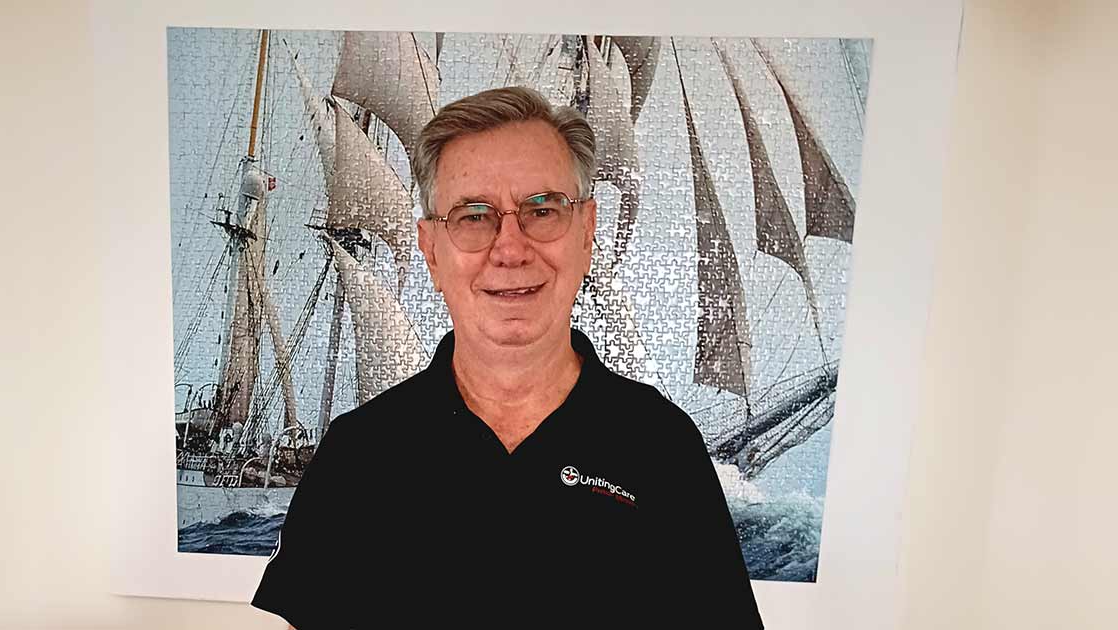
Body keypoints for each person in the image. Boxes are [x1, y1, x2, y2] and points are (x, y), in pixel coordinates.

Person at [252, 86, 762, 629]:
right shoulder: (357, 456)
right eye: (473, 217)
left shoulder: (663, 448)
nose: (511, 248)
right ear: (430, 250)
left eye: (543, 210)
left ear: (586, 232)